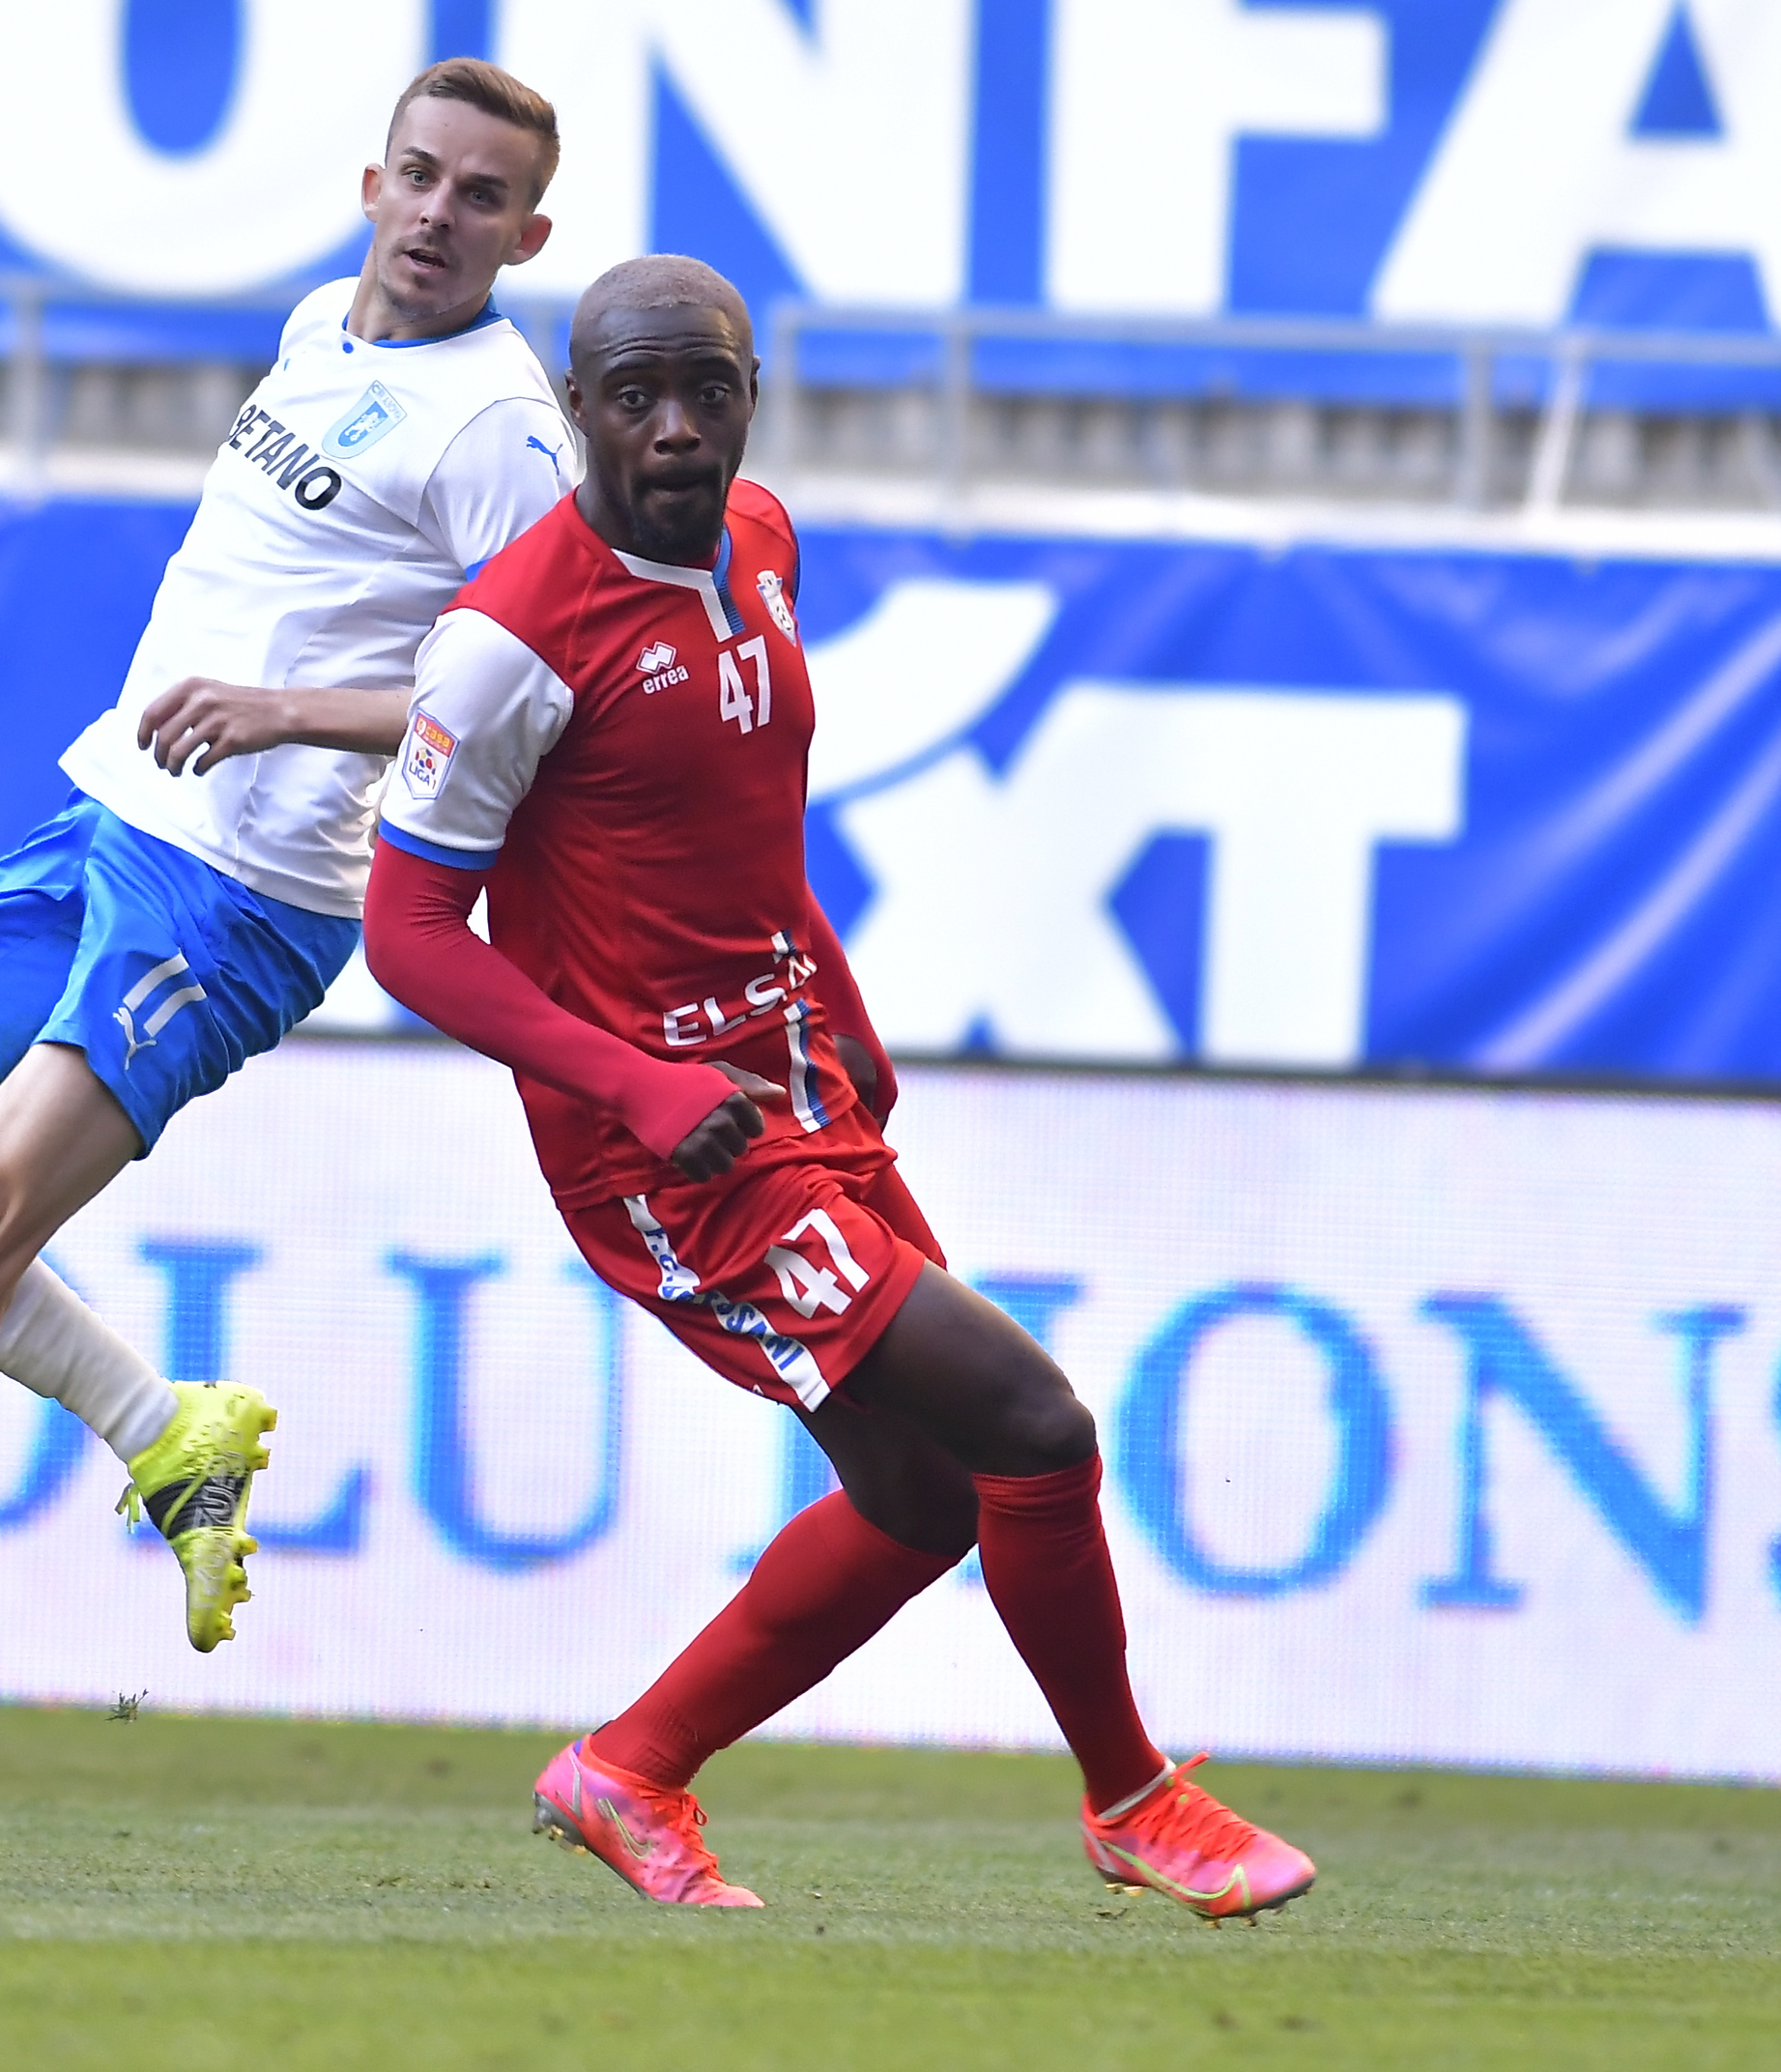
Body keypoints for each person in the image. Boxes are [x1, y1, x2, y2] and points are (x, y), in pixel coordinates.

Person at [360, 254, 1315, 1920]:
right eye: (635, 395)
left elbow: (742, 831)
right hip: (667, 1152)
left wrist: (840, 1008)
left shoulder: (766, 547)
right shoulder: (508, 638)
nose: (674, 428)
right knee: (1032, 1422)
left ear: (749, 397)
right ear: (576, 410)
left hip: (793, 1086)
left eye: (707, 392)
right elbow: (411, 934)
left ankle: (631, 1766)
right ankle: (1135, 1799)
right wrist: (639, 1090)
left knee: (921, 1491)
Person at [0, 59, 583, 1801]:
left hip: (246, 890)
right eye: (418, 176)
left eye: (480, 199)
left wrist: (287, 712)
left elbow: (536, 702)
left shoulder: (499, 433)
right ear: (371, 178)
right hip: (114, 814)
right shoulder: (327, 318)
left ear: (526, 233)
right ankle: (166, 1431)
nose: (436, 215)